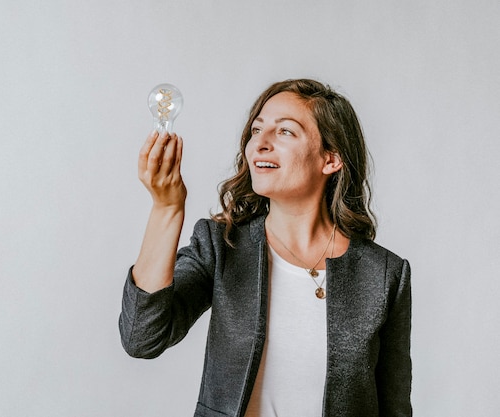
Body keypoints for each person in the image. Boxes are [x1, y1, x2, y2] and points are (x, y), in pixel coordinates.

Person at [119, 79, 412, 417]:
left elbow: (395, 406)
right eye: (256, 130)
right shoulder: (222, 245)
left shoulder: (384, 273)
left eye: (285, 132)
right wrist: (166, 210)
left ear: (331, 158)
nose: (260, 143)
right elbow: (142, 338)